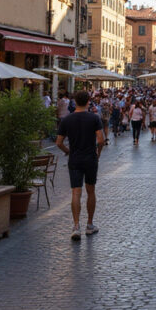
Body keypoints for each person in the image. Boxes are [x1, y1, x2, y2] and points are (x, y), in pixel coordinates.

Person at [56, 90, 104, 240]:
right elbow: (101, 140)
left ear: (74, 102)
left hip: (75, 159)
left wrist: (68, 151)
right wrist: (98, 153)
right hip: (90, 158)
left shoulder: (67, 120)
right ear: (89, 101)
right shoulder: (94, 118)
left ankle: (76, 226)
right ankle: (89, 225)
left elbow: (58, 142)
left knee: (76, 192)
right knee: (91, 191)